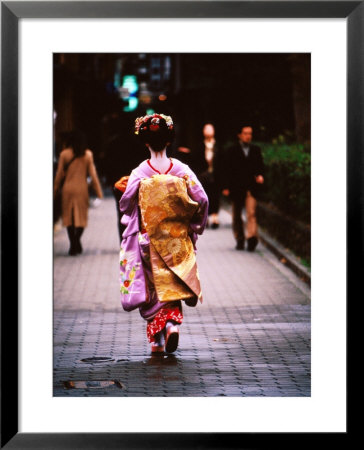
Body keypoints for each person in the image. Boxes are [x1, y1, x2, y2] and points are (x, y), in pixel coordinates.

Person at [119, 113, 208, 354]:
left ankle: (156, 340)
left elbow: (126, 204)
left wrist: (132, 191)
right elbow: (202, 198)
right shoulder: (181, 169)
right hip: (176, 238)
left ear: (145, 142)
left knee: (152, 287)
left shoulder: (140, 172)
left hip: (148, 238)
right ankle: (171, 325)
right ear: (169, 141)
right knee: (171, 283)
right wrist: (193, 225)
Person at [54, 130, 103, 255]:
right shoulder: (87, 154)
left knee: (69, 217)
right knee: (81, 217)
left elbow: (59, 174)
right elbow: (93, 175)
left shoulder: (64, 154)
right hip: (82, 189)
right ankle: (77, 241)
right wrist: (98, 192)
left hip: (67, 189)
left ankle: (73, 244)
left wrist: (54, 190)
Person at [222, 125, 264, 251]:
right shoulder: (232, 150)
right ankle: (239, 238)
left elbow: (261, 166)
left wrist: (260, 176)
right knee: (237, 215)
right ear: (240, 135)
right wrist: (226, 187)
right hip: (236, 187)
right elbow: (227, 170)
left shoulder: (256, 150)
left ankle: (251, 238)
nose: (248, 136)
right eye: (245, 133)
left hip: (251, 187)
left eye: (250, 133)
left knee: (251, 213)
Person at [193, 123, 222, 229]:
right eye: (206, 129)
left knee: (216, 196)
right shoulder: (200, 146)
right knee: (206, 196)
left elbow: (222, 162)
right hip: (203, 176)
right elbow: (196, 161)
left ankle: (215, 216)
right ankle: (207, 217)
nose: (208, 131)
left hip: (215, 175)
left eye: (210, 129)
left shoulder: (218, 146)